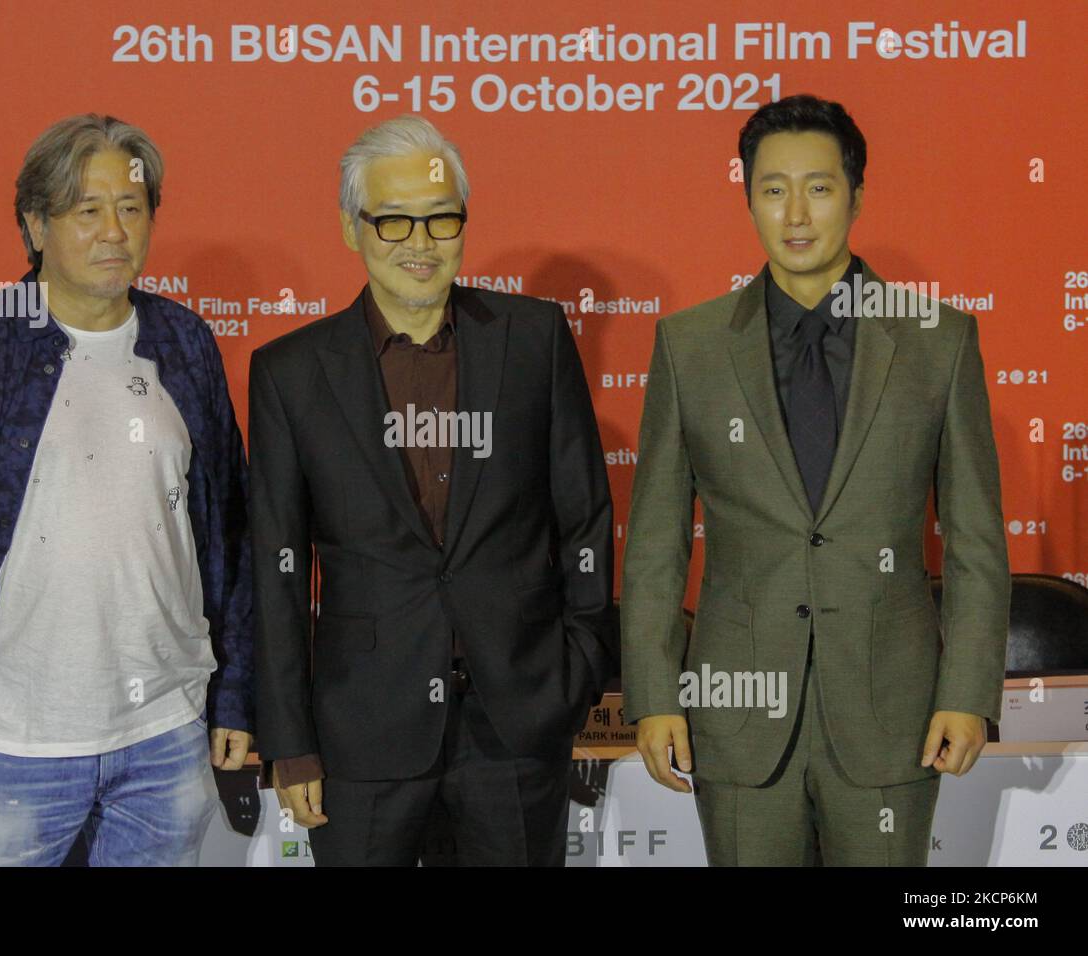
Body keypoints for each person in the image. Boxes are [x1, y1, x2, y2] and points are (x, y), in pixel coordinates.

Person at [621, 94, 1009, 866]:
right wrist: (655, 694)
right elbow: (657, 543)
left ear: (857, 197)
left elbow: (975, 541)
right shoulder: (688, 348)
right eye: (772, 189)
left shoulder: (940, 342)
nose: (796, 213)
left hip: (892, 712)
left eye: (820, 187)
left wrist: (967, 692)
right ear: (748, 198)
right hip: (733, 718)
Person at [0, 113, 254, 866]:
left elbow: (231, 539)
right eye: (88, 211)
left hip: (167, 735)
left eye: (132, 207)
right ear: (36, 224)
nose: (114, 230)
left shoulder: (184, 342)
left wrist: (237, 694)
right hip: (13, 743)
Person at [251, 115, 614, 866]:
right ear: (353, 229)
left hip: (515, 720)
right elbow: (278, 567)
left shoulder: (535, 338)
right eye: (393, 222)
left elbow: (584, 518)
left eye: (441, 219)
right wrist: (289, 741)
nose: (420, 242)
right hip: (362, 731)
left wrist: (577, 672)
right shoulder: (290, 372)